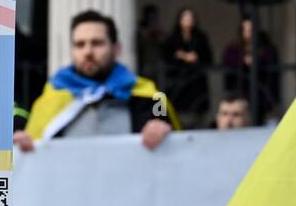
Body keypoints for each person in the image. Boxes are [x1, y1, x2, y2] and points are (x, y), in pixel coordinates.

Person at [14, 9, 180, 152]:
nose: (88, 51)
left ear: (116, 48)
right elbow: (34, 147)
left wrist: (163, 126)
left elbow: (162, 115)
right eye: (80, 44)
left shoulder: (150, 94)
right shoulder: (51, 96)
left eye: (97, 43)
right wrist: (24, 145)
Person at [161, 6, 213, 129]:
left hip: (196, 82)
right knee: (179, 113)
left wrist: (196, 57)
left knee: (198, 114)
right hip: (178, 82)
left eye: (190, 18)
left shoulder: (200, 37)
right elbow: (166, 57)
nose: (188, 21)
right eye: (185, 18)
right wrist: (182, 56)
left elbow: (208, 57)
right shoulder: (172, 38)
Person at [221, 17, 280, 123]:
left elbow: (271, 62)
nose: (249, 33)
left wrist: (257, 60)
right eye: (246, 30)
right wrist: (243, 60)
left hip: (260, 91)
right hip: (240, 89)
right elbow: (228, 63)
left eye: (251, 30)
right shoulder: (234, 48)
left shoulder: (266, 47)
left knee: (259, 119)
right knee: (239, 116)